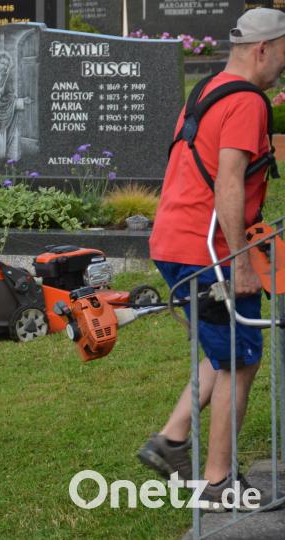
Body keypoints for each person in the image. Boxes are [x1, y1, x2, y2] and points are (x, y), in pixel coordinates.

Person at [138, 8, 285, 511]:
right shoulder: (247, 101)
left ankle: (171, 440)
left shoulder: (208, 88)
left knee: (223, 345)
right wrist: (241, 260)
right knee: (241, 360)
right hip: (210, 252)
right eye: (284, 53)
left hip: (173, 241)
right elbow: (227, 180)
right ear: (264, 48)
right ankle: (219, 484)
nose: (283, 67)